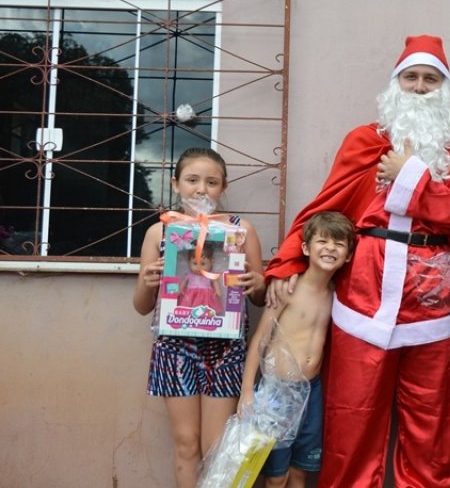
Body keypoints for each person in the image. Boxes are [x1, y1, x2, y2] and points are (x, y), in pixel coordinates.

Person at [264, 35, 450, 488]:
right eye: (411, 77)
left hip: (431, 301)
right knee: (352, 421)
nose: (420, 87)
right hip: (365, 294)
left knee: (432, 426)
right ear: (395, 84)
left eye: (431, 79)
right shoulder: (365, 141)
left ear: (445, 88)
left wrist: (408, 173)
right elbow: (326, 207)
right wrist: (287, 262)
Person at [133, 147, 265, 488]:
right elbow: (142, 305)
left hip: (225, 351)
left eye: (212, 182)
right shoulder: (159, 233)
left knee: (217, 448)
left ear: (223, 187)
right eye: (192, 180)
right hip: (175, 349)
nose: (201, 189)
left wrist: (256, 283)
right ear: (176, 184)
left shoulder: (240, 231)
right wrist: (149, 282)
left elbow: (260, 296)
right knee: (186, 444)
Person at [240, 211, 355, 488]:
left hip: (311, 390)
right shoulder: (288, 288)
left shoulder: (336, 293)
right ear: (305, 247)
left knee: (302, 471)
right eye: (323, 241)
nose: (330, 248)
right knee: (276, 476)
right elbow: (260, 339)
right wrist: (247, 392)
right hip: (276, 391)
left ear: (349, 255)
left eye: (339, 244)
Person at [177, 245, 224, 316]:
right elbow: (183, 283)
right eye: (195, 263)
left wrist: (218, 291)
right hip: (191, 296)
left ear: (211, 262)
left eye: (203, 264)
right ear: (189, 262)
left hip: (206, 297)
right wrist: (180, 290)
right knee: (189, 308)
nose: (199, 268)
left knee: (207, 309)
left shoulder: (209, 275)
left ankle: (206, 318)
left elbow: (215, 281)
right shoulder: (189, 275)